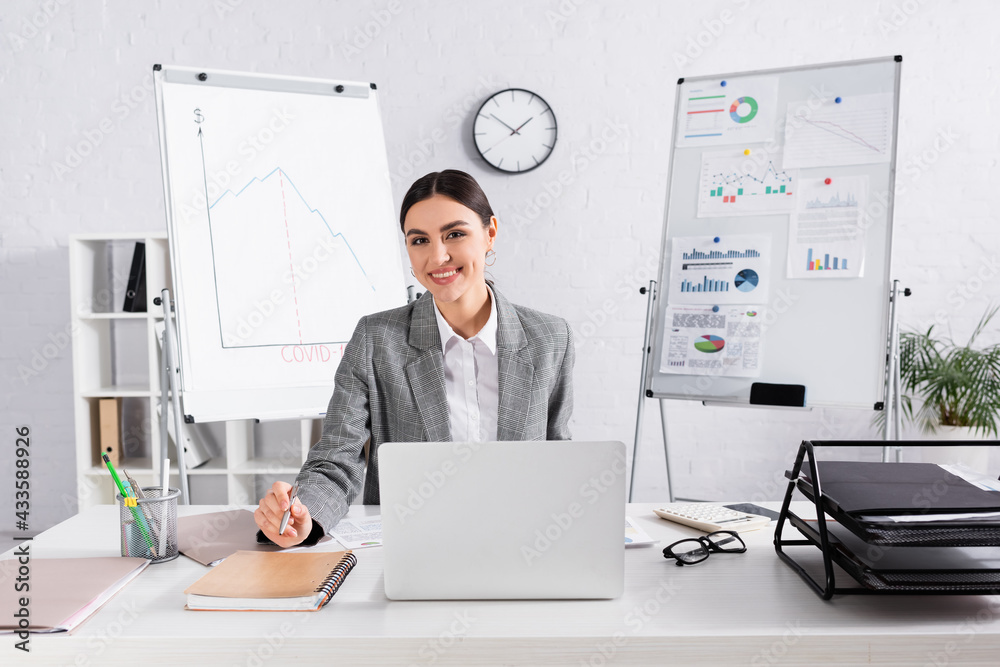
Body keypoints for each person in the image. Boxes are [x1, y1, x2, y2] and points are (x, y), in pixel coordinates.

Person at [254, 169, 575, 547]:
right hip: (414, 544)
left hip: (523, 542)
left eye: (455, 234)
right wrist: (302, 518)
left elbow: (559, 457)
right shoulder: (377, 339)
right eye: (419, 240)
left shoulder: (549, 338)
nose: (437, 256)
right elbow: (337, 458)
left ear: (490, 233)